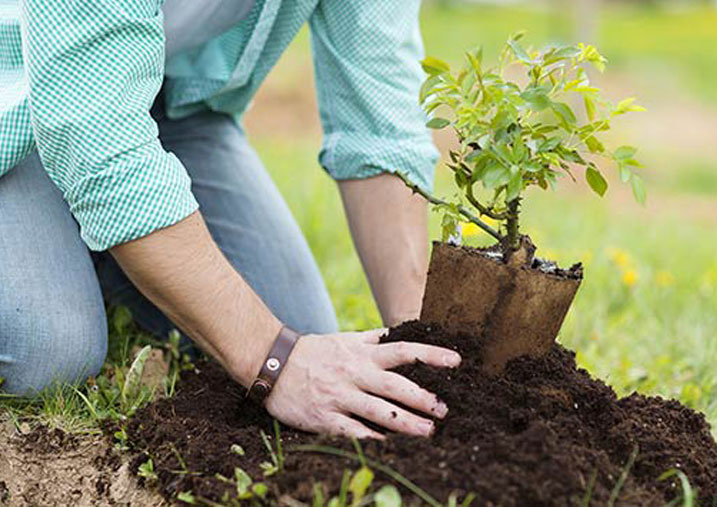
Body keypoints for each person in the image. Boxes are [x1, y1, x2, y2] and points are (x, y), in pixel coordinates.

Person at [0, 0, 462, 439]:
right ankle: (84, 226)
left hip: (170, 102)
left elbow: (379, 118)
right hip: (19, 88)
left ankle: (95, 237)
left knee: (300, 329)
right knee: (48, 353)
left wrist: (419, 350)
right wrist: (276, 363)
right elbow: (95, 130)